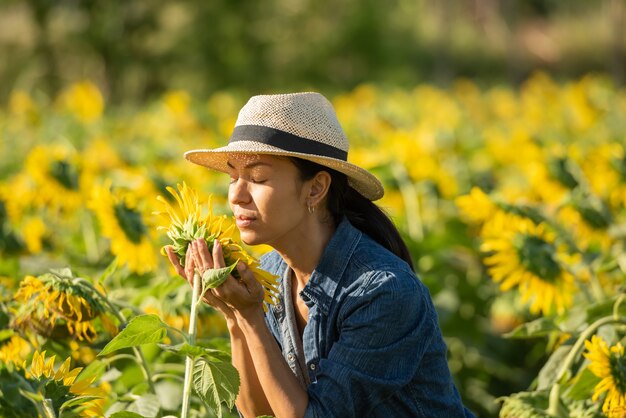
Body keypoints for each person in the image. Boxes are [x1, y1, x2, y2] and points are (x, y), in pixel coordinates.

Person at [166, 92, 475, 417]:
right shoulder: (270, 273)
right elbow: (259, 412)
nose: (237, 196)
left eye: (257, 178)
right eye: (232, 177)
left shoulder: (382, 291)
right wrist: (234, 316)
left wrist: (251, 318)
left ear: (315, 189)